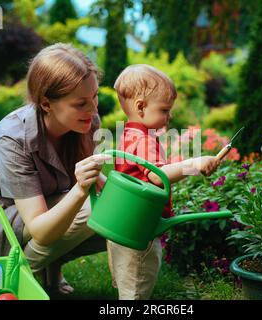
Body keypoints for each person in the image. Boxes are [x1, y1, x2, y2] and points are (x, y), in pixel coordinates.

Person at [0, 43, 112, 297]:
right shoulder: (13, 138)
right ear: (46, 103)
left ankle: (52, 272)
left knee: (115, 210)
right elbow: (40, 227)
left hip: (45, 210)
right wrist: (81, 190)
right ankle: (17, 275)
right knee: (90, 208)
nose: (94, 109)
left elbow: (80, 185)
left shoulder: (86, 122)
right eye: (81, 103)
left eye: (95, 96)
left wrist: (102, 184)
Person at [107, 64, 222, 300]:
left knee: (127, 278)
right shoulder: (143, 140)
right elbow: (157, 176)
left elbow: (148, 170)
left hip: (122, 223)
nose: (169, 116)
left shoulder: (129, 134)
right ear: (141, 107)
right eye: (164, 110)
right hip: (141, 227)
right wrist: (194, 164)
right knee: (137, 285)